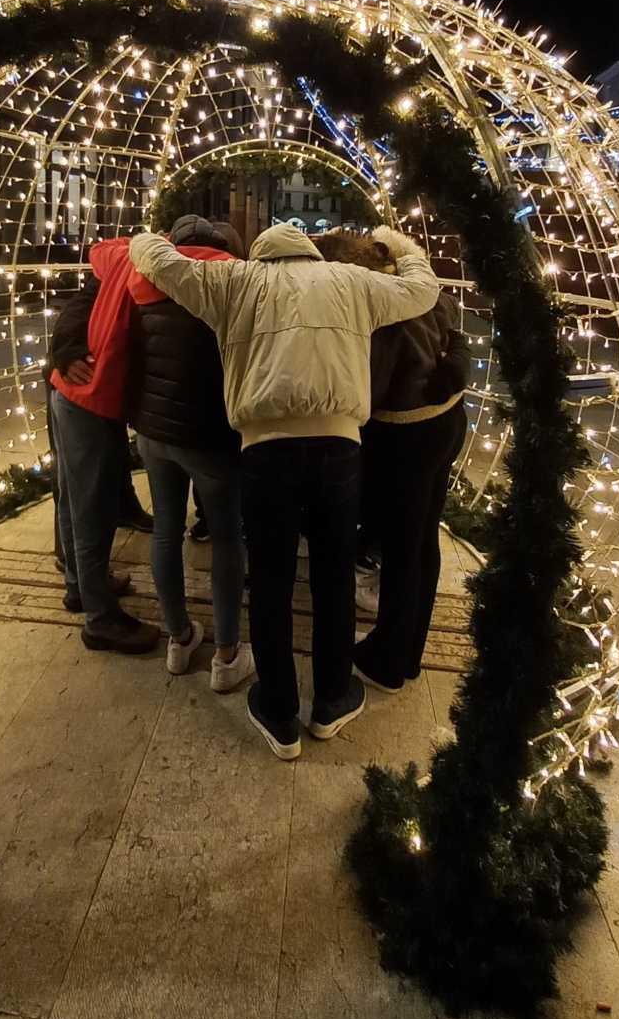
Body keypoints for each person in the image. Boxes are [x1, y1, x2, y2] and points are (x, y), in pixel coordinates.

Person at [129, 221, 439, 759]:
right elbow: (423, 289)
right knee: (332, 577)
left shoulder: (233, 283)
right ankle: (332, 700)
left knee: (270, 581)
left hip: (264, 452)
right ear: (308, 251)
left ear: (262, 252)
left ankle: (278, 712)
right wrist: (399, 243)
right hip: (339, 448)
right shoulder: (350, 282)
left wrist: (146, 235)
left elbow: (159, 262)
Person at [313, 231, 470, 693]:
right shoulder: (419, 287)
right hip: (447, 421)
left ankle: (388, 659)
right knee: (423, 541)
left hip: (405, 435)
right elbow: (455, 330)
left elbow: (370, 393)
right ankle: (409, 651)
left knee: (401, 548)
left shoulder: (378, 306)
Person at [128, 214, 254, 690]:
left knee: (166, 529)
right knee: (226, 538)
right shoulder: (233, 286)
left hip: (154, 431)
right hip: (211, 437)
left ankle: (178, 640)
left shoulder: (144, 285)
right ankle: (226, 655)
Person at [47, 241, 160, 653]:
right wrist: (67, 351)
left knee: (73, 498)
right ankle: (100, 619)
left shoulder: (116, 263)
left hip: (71, 394)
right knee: (90, 509)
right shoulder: (154, 272)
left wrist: (65, 351)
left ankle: (80, 587)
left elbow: (74, 310)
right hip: (89, 400)